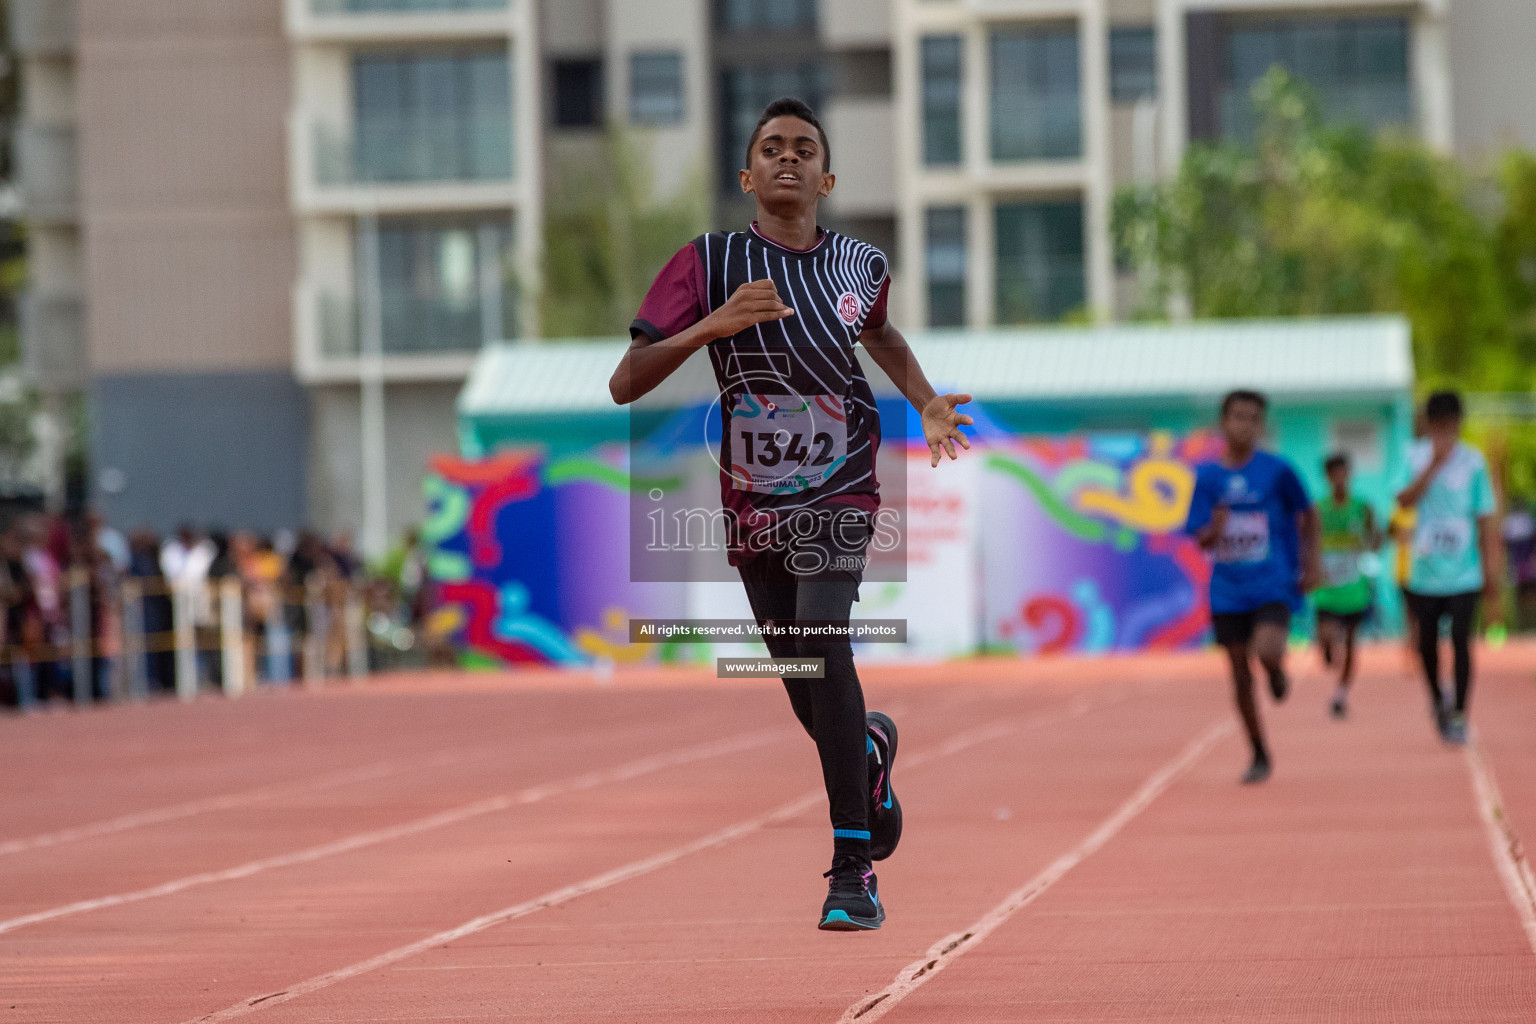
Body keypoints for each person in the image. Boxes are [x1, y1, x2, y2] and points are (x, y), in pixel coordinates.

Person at [608, 97, 972, 931]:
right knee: (803, 680)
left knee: (821, 641)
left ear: (826, 177)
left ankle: (852, 869)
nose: (786, 159)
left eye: (803, 149)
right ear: (746, 174)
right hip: (752, 499)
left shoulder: (860, 265)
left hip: (842, 484)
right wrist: (713, 326)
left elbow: (878, 336)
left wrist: (924, 403)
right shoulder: (707, 261)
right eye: (769, 147)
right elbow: (625, 382)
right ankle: (869, 756)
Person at [1185, 390, 1321, 784]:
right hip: (1227, 589)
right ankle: (1259, 751)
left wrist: (1311, 564)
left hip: (1271, 582)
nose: (1244, 425)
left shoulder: (1277, 470)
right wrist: (1216, 528)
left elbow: (1308, 514)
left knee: (1267, 647)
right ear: (1223, 422)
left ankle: (1276, 669)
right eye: (1237, 417)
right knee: (1239, 675)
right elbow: (1200, 536)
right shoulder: (1208, 477)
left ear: (1261, 425)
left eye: (1252, 418)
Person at [1395, 391, 1502, 745]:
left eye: (1452, 426)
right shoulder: (1413, 456)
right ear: (1428, 425)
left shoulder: (1474, 462)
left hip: (1464, 572)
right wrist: (1433, 465)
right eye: (1439, 426)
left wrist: (1491, 572)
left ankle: (1459, 712)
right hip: (1425, 572)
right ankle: (1437, 699)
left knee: (1460, 640)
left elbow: (1485, 518)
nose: (1446, 432)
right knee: (1426, 645)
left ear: (1459, 424)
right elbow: (1403, 500)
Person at [1313, 453, 1380, 719]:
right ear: (1328, 477)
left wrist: (1375, 538)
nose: (1340, 479)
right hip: (1327, 589)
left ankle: (1341, 693)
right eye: (1334, 474)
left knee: (1352, 643)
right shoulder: (1318, 509)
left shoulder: (1362, 507)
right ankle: (1329, 652)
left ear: (1349, 474)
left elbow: (1375, 541)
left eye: (1344, 473)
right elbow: (1308, 540)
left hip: (1354, 588)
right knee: (1327, 640)